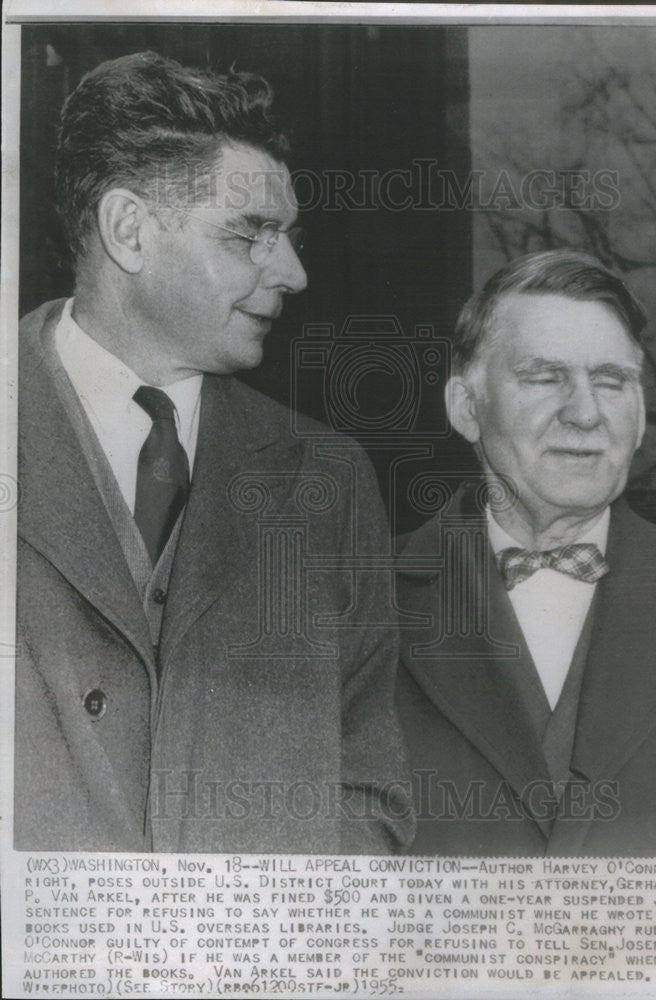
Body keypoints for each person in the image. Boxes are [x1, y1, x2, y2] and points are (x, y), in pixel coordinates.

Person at [16, 51, 413, 853]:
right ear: (129, 231)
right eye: (250, 234)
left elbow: (372, 794)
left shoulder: (328, 481)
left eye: (289, 235)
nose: (294, 272)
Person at [396, 250, 656, 857]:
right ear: (467, 408)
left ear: (641, 415)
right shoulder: (353, 601)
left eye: (611, 381)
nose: (585, 412)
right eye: (545, 377)